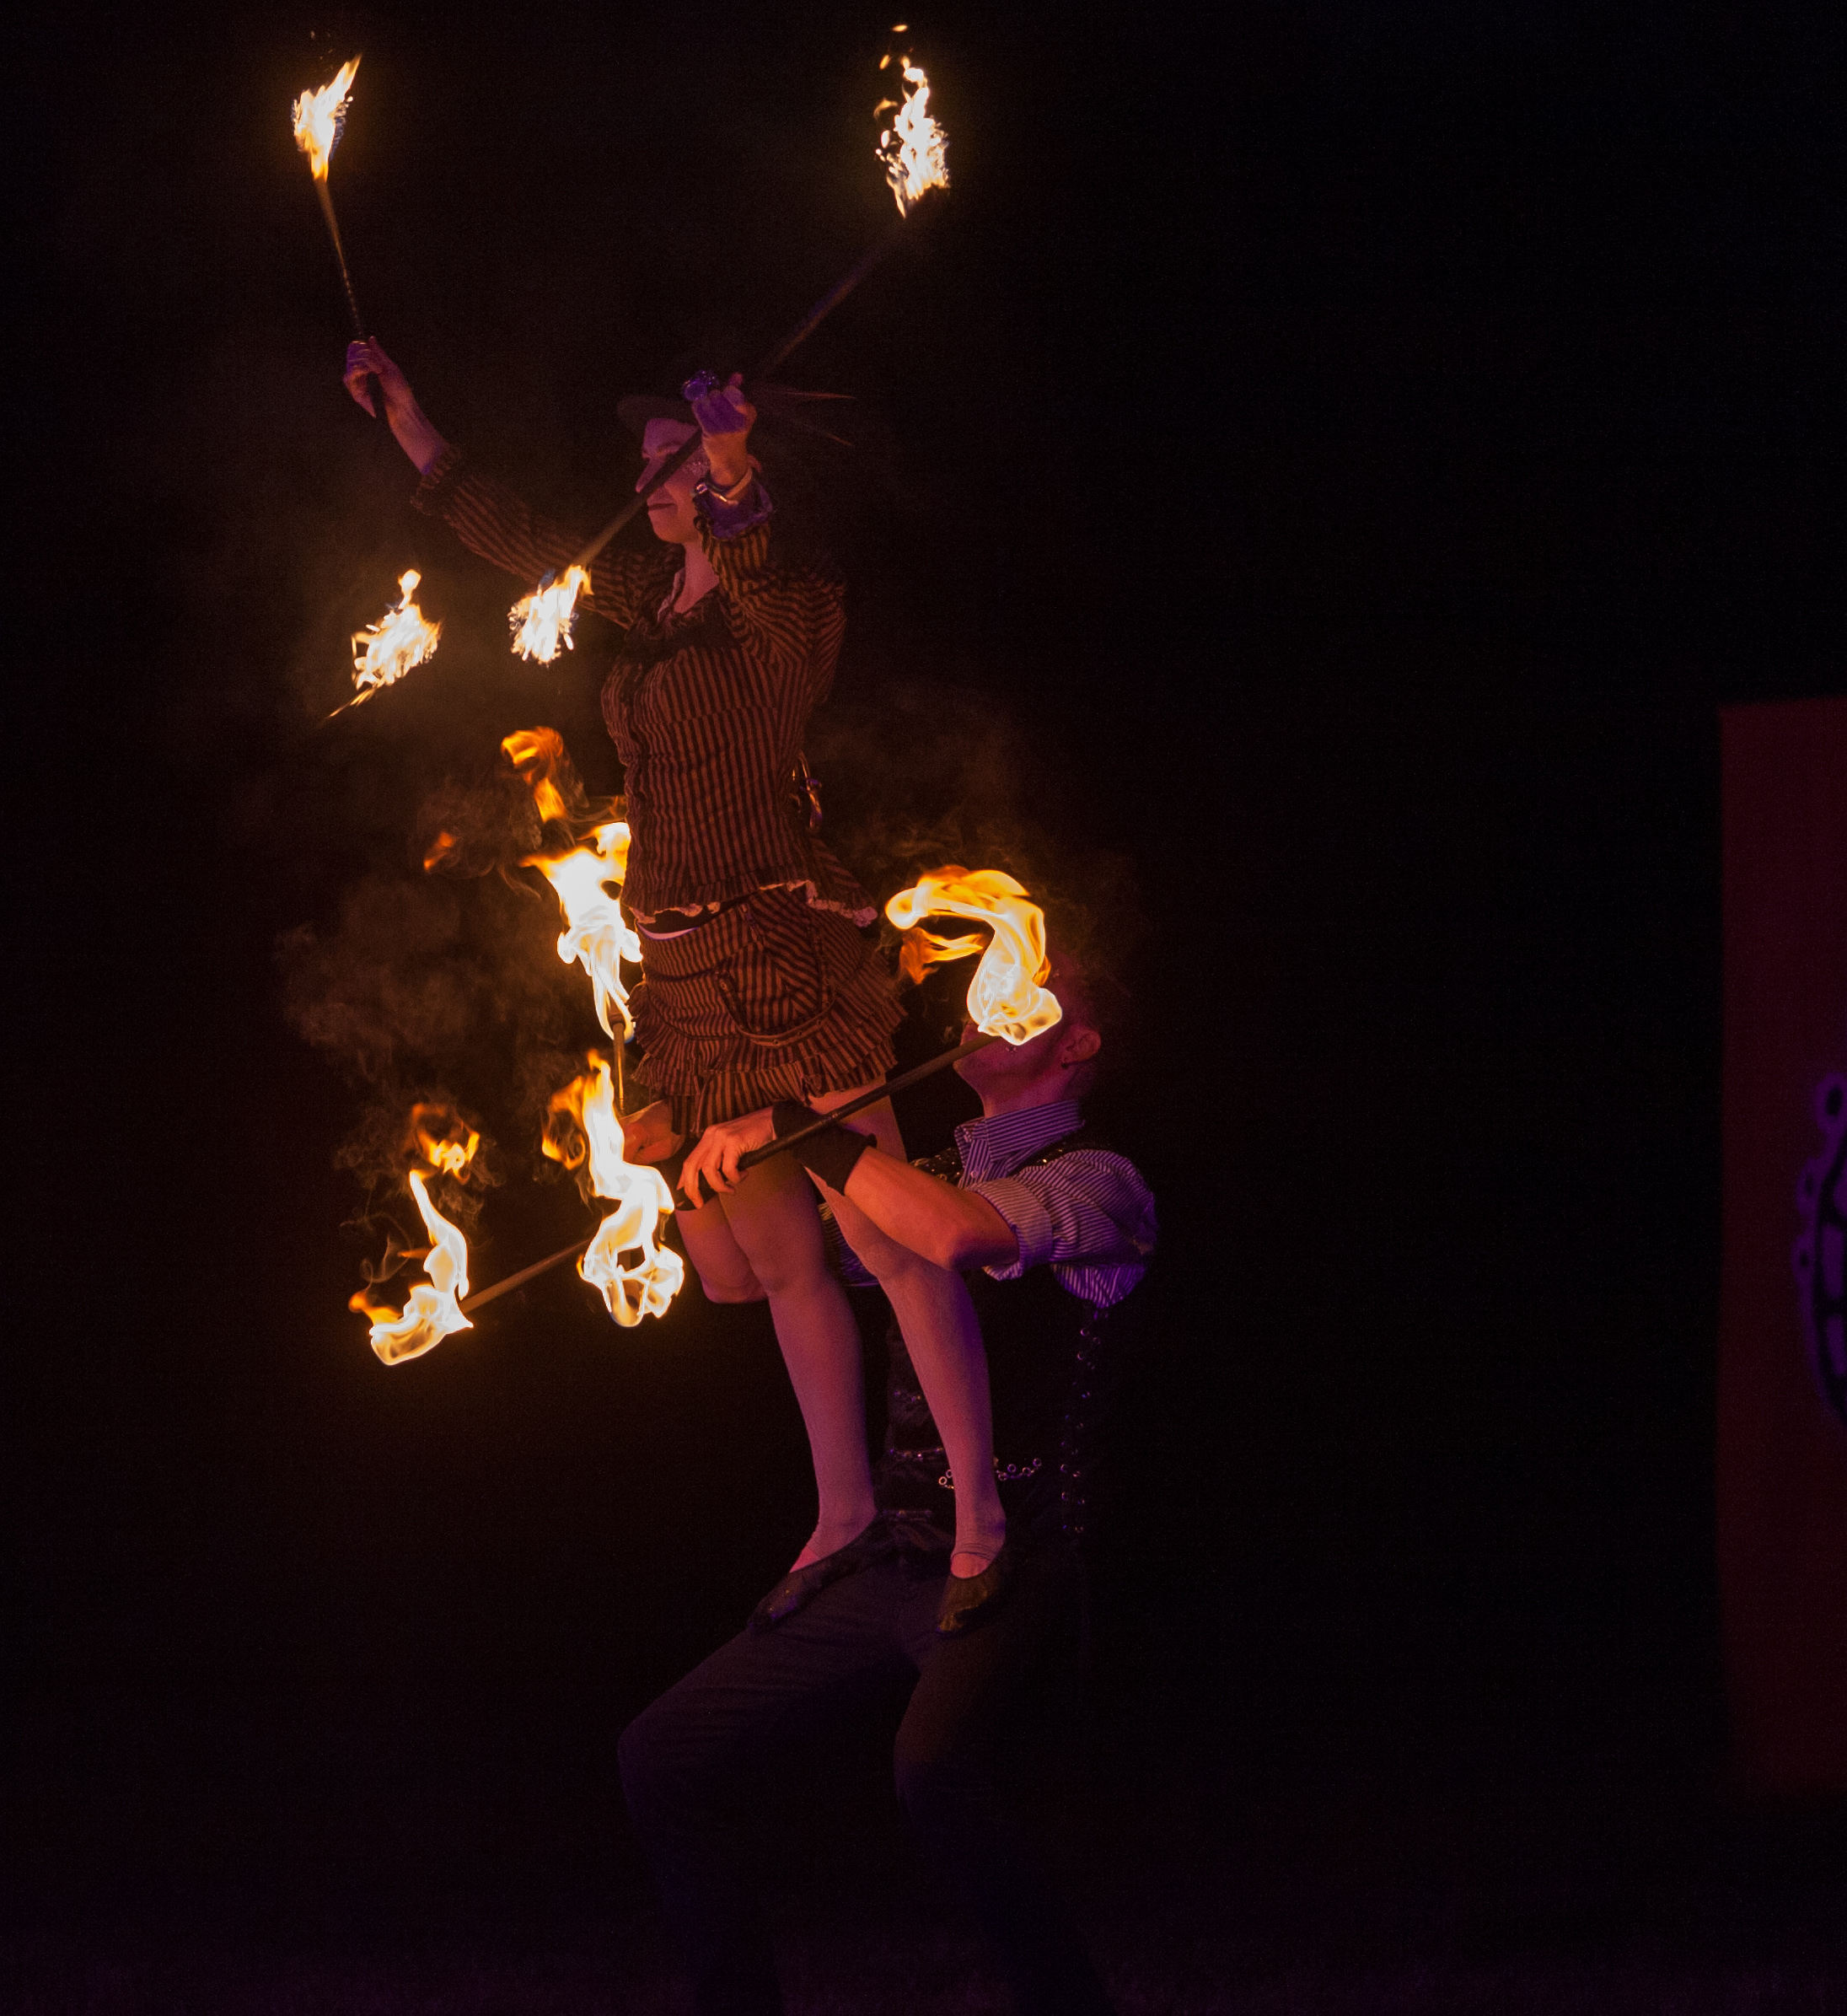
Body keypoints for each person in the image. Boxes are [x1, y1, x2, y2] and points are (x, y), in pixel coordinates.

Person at [344, 338, 1009, 1603]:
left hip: (783, 950)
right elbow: (525, 535)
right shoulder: (644, 601)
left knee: (890, 1240)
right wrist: (410, 422)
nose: (644, 480)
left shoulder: (790, 603)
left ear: (728, 470)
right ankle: (843, 1511)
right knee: (778, 1266)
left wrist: (732, 468)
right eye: (647, 463)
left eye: (671, 460)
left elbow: (752, 554)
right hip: (684, 974)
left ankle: (980, 1508)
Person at [621, 948, 1156, 2016]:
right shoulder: (920, 1173)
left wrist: (806, 1127)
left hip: (1021, 1555)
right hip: (899, 1556)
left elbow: (951, 1237)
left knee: (935, 1775)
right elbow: (743, 1278)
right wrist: (676, 1161)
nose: (980, 1001)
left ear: (1078, 1042)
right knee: (662, 1753)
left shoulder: (1102, 1181)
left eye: (1026, 983)